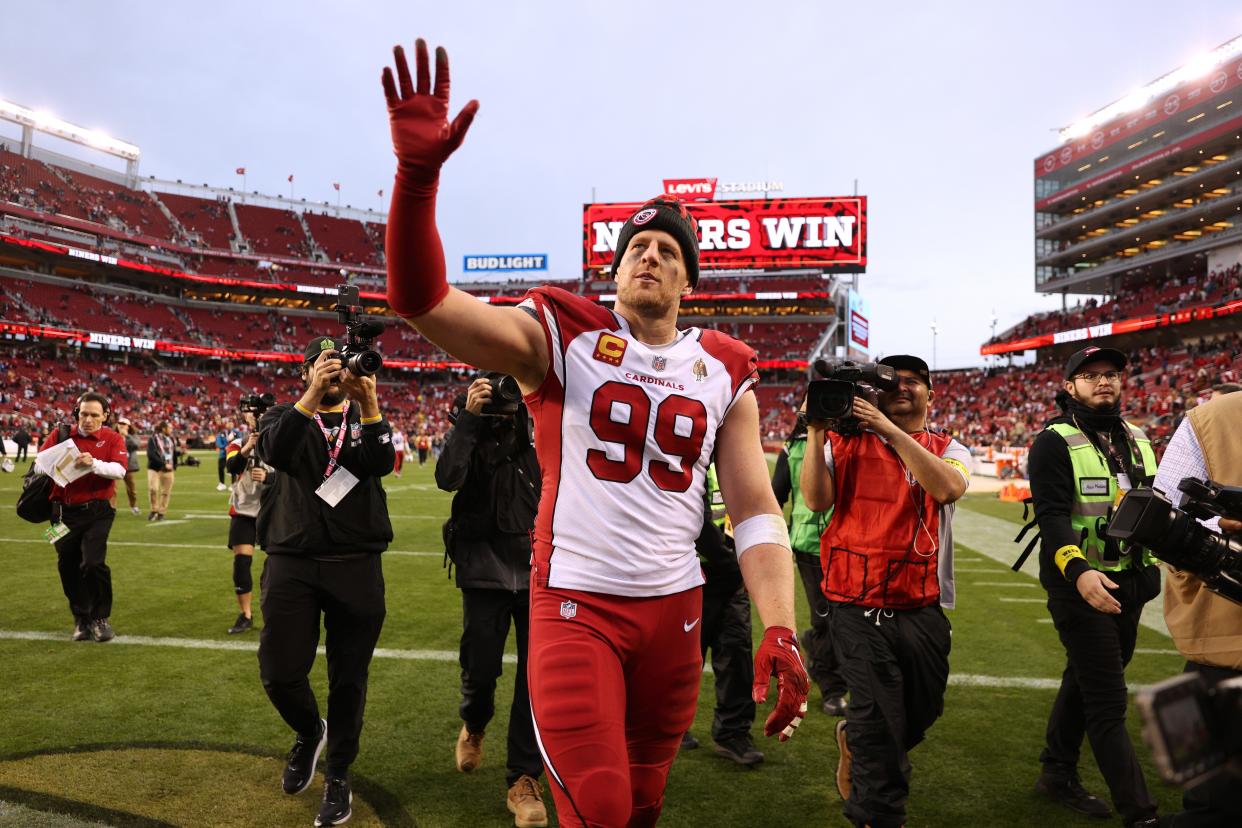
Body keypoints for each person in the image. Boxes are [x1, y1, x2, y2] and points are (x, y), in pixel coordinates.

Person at [380, 39, 809, 827]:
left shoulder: (725, 368)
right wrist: (418, 181)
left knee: (643, 804)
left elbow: (754, 510)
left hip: (676, 612)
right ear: (615, 271)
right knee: (600, 807)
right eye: (637, 247)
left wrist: (779, 623)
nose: (649, 256)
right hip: (577, 603)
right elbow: (423, 301)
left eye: (667, 251)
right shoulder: (560, 333)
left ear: (687, 280)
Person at [800, 354, 969, 828]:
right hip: (856, 603)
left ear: (931, 394)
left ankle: (854, 740)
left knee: (923, 709)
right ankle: (876, 813)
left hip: (921, 604)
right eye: (892, 382)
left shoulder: (950, 446)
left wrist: (888, 431)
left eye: (914, 382)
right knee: (878, 721)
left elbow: (947, 488)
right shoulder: (842, 442)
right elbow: (815, 500)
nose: (902, 388)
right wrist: (815, 432)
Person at [256, 336, 395, 828]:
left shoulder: (365, 418)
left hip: (356, 561)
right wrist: (312, 395)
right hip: (292, 557)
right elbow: (276, 451)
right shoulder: (281, 415)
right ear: (306, 372)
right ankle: (308, 730)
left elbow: (381, 463)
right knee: (279, 670)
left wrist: (370, 400)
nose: (334, 369)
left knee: (348, 678)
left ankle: (338, 773)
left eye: (338, 363)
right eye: (322, 363)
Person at [1024, 346, 1161, 828]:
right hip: (1078, 585)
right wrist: (1078, 571)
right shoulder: (1053, 441)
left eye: (1111, 374)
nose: (1103, 381)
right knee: (1107, 699)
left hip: (1129, 583)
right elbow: (1052, 518)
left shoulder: (1138, 437)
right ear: (1069, 386)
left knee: (1082, 680)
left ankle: (1056, 771)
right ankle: (1140, 813)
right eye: (1089, 375)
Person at [436, 376, 546, 828]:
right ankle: (475, 722)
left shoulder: (535, 419)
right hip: (483, 563)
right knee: (480, 667)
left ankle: (523, 778)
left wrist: (528, 412)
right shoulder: (470, 421)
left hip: (539, 562)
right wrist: (469, 420)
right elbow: (448, 479)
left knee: (536, 677)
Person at [1151, 391, 1242, 827]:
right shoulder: (1210, 420)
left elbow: (1157, 520)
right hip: (1227, 643)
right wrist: (1219, 528)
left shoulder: (1210, 420)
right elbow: (1158, 517)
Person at [682, 463, 764, 767]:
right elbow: (697, 523)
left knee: (737, 650)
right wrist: (733, 566)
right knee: (684, 658)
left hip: (729, 574)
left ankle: (732, 732)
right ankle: (674, 726)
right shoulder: (693, 454)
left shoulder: (734, 456)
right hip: (693, 573)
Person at [771, 412, 848, 716]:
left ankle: (816, 647)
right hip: (810, 547)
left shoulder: (851, 441)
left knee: (844, 620)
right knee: (827, 620)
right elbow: (775, 496)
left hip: (850, 545)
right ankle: (833, 687)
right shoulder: (794, 449)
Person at [39, 392, 129, 642]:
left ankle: (100, 618)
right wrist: (60, 461)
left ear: (105, 416)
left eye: (94, 415)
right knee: (66, 565)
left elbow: (119, 470)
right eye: (83, 414)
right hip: (61, 512)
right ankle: (82, 619)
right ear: (76, 413)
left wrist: (93, 463)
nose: (87, 419)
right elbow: (39, 465)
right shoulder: (61, 435)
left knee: (92, 563)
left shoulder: (112, 438)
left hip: (99, 511)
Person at [224, 405, 274, 635]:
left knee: (275, 566)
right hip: (244, 508)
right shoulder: (238, 441)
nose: (255, 416)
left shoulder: (279, 440)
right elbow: (231, 466)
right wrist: (247, 448)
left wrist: (269, 476)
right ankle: (245, 614)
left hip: (271, 509)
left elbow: (292, 472)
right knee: (242, 563)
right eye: (251, 412)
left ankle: (274, 612)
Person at [146, 420, 176, 521]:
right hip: (155, 468)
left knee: (166, 492)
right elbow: (151, 454)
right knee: (153, 489)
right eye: (170, 428)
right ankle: (154, 509)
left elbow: (172, 453)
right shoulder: (153, 439)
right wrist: (163, 464)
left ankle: (161, 512)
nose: (171, 430)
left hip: (168, 469)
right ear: (164, 429)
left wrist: (180, 455)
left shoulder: (171, 439)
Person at [115, 418, 141, 516]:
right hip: (115, 465)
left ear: (128, 426)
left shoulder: (133, 436)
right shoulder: (113, 436)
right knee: (113, 489)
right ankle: (112, 508)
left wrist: (127, 436)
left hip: (128, 466)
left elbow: (136, 445)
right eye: (120, 423)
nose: (121, 425)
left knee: (132, 490)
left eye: (124, 424)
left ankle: (133, 506)